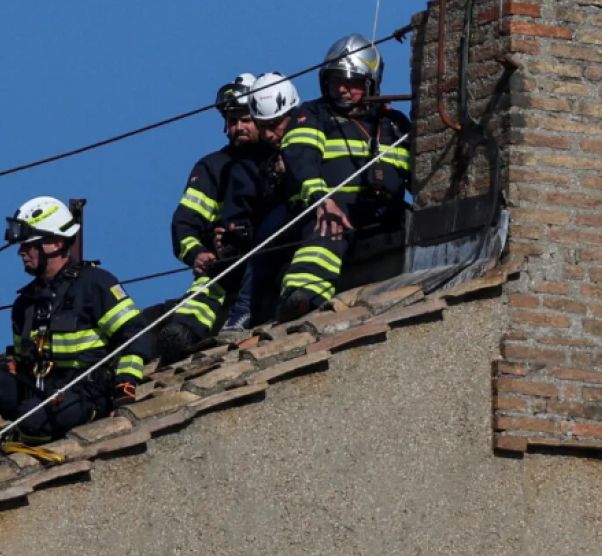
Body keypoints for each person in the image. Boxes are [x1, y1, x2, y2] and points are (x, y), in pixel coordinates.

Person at [0, 197, 152, 479]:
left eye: (29, 245)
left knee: (36, 419)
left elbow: (135, 335)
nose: (21, 252)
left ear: (56, 243)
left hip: (84, 397)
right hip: (38, 394)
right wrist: (14, 369)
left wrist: (125, 388)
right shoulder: (25, 304)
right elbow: (23, 362)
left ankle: (14, 438)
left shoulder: (95, 283)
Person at [277, 34, 413, 322]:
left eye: (351, 82)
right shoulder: (313, 114)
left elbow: (421, 173)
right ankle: (302, 295)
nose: (341, 89)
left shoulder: (395, 124)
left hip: (385, 213)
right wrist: (322, 199)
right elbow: (300, 156)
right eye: (334, 80)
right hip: (330, 211)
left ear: (370, 83)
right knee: (329, 227)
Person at [157, 74, 263, 363]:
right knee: (205, 286)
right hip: (224, 263)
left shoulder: (279, 155)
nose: (238, 127)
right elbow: (185, 222)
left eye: (246, 119)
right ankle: (182, 332)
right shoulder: (212, 168)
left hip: (266, 253)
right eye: (232, 121)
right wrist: (198, 253)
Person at [220, 71, 304, 331]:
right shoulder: (248, 164)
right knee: (273, 225)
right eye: (263, 126)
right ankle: (244, 309)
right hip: (280, 229)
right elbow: (243, 211)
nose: (268, 134)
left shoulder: (314, 127)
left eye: (274, 125)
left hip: (325, 215)